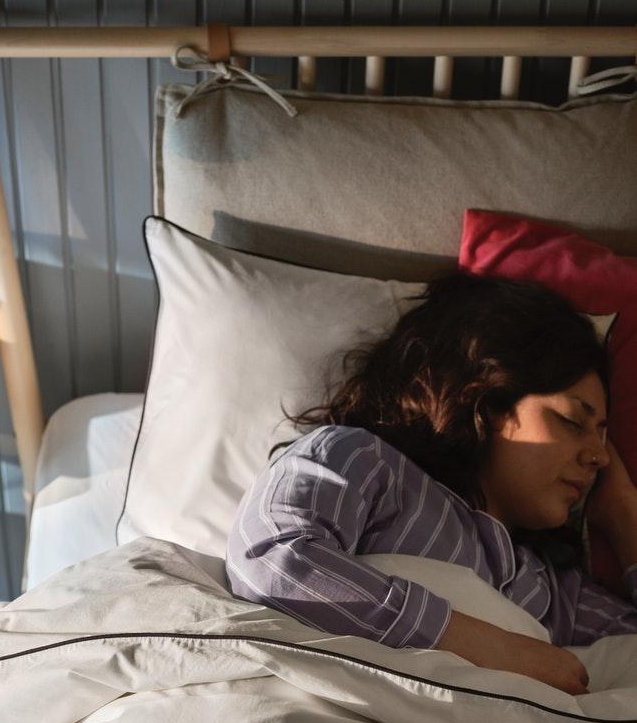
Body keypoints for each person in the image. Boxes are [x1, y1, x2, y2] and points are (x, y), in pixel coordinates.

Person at [225, 271, 637, 696]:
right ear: (490, 401)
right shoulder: (365, 461)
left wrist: (624, 514)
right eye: (573, 421)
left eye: (604, 436)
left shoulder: (550, 590)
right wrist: (491, 648)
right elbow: (272, 561)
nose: (600, 456)